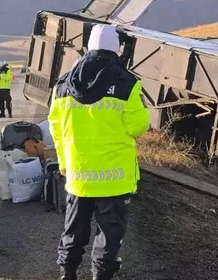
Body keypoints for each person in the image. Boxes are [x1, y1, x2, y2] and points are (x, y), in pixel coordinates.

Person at [47, 24, 150, 280]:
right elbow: (137, 127)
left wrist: (64, 163)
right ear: (117, 49)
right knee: (109, 236)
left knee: (73, 231)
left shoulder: (63, 84)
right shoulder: (127, 82)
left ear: (88, 47)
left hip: (79, 176)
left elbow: (56, 129)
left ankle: (67, 274)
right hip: (114, 179)